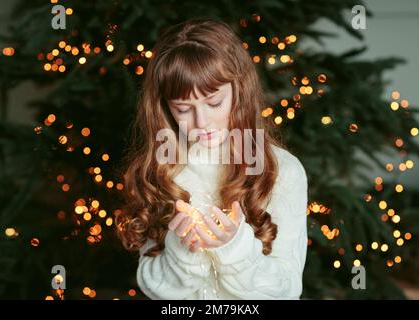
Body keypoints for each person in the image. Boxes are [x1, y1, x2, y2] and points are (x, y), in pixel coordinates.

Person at [116, 17, 308, 300]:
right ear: (165, 108)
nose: (202, 121)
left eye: (214, 102)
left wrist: (235, 248)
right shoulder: (161, 169)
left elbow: (287, 289)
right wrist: (182, 250)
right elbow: (152, 285)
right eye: (183, 108)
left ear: (239, 90)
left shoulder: (282, 171)